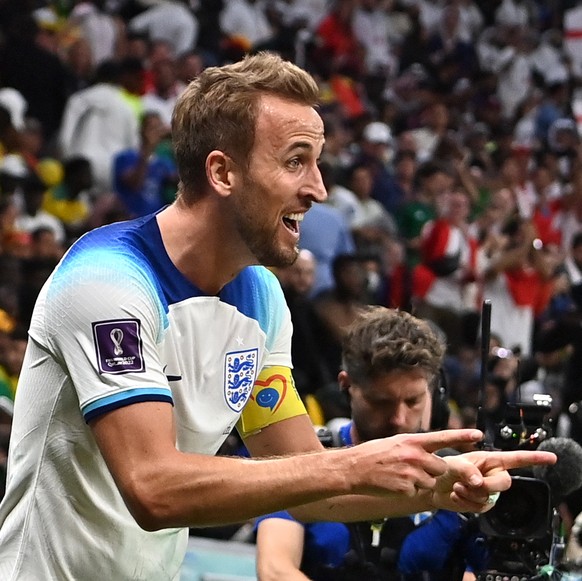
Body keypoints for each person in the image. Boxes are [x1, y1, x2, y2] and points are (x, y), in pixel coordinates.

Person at [0, 52, 556, 580]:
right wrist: (350, 464)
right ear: (222, 172)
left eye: (317, 163)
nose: (317, 189)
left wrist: (437, 488)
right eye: (296, 161)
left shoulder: (262, 296)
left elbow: (307, 483)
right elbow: (153, 488)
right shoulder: (107, 282)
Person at [255, 307, 485, 581]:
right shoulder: (304, 460)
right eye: (381, 402)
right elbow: (274, 569)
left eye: (413, 401)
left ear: (433, 390)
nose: (399, 419)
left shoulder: (459, 478)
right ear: (346, 385)